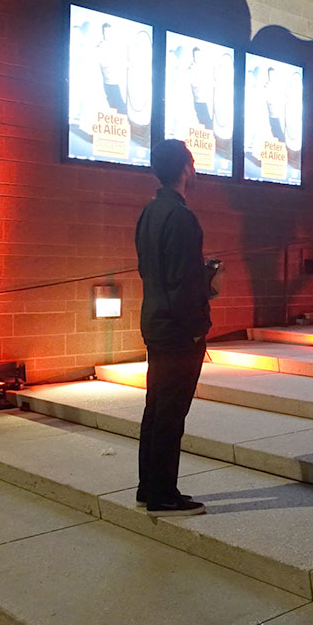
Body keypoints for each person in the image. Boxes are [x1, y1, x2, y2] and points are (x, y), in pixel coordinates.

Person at [134, 140, 211, 516]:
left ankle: (148, 487)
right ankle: (164, 495)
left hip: (155, 320)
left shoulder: (149, 212)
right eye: (192, 164)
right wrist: (198, 328)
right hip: (179, 329)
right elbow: (183, 282)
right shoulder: (181, 216)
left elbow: (150, 270)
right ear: (184, 169)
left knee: (156, 407)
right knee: (170, 413)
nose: (194, 171)